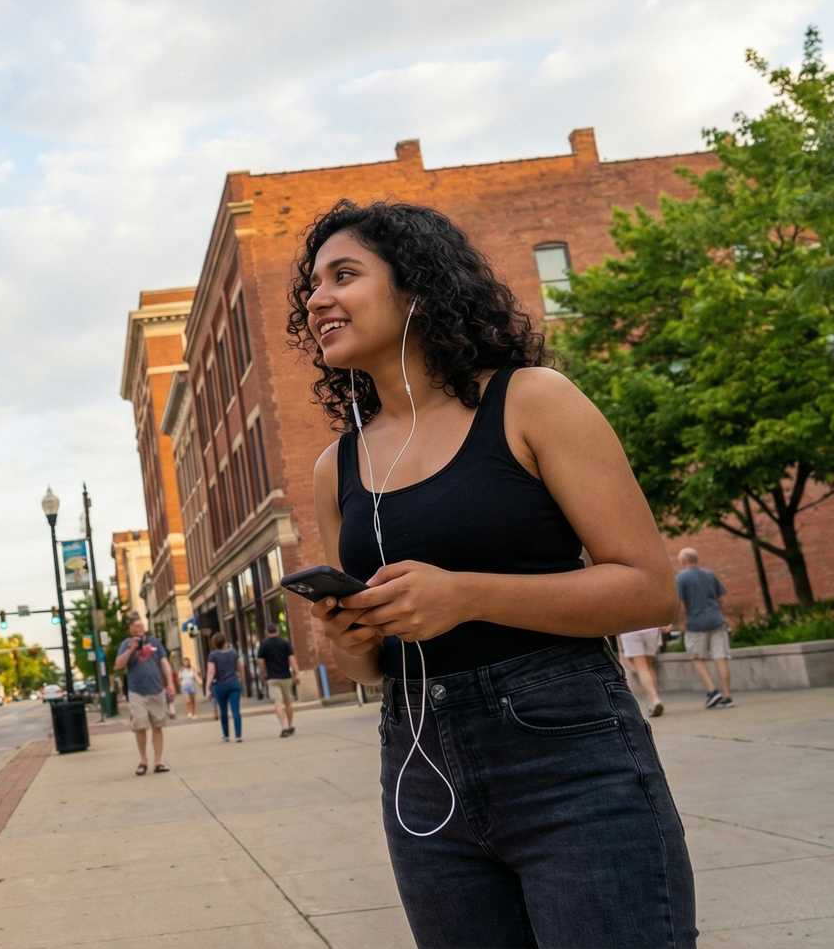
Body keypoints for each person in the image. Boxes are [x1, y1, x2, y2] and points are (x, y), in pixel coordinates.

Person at [296, 200, 695, 946]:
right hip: (421, 769)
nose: (318, 299)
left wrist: (466, 595)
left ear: (415, 285)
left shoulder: (532, 400)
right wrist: (347, 638)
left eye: (343, 275)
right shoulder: (336, 467)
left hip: (569, 755)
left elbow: (648, 588)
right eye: (313, 286)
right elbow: (370, 667)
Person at [115, 615, 176, 775]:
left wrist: (170, 683)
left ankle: (158, 762)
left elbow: (164, 662)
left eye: (141, 624)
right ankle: (143, 761)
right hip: (137, 692)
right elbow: (118, 665)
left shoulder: (154, 642)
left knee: (158, 726)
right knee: (140, 727)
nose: (140, 627)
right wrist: (131, 649)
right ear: (131, 629)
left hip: (157, 690)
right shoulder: (126, 644)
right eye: (136, 625)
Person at [676, 547, 735, 708]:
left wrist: (680, 623)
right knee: (721, 657)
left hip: (695, 624)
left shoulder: (681, 578)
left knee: (697, 658)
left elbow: (680, 604)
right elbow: (721, 599)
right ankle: (727, 696)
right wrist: (726, 617)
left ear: (683, 561)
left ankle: (712, 691)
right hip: (717, 620)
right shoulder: (710, 574)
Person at [256, 626, 298, 737]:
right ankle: (289, 726)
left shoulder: (264, 644)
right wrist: (296, 674)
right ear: (277, 631)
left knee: (278, 703)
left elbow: (260, 661)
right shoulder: (285, 643)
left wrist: (263, 674)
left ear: (266, 632)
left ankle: (284, 727)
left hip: (273, 678)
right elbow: (292, 659)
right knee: (288, 703)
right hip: (286, 677)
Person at [618, 624, 668, 717]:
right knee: (649, 666)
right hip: (651, 628)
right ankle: (653, 699)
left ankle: (654, 700)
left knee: (642, 667)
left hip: (630, 629)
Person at [204, 633, 243, 742]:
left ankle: (226, 736)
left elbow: (211, 672)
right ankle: (238, 736)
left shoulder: (213, 655)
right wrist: (241, 680)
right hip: (234, 683)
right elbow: (240, 667)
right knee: (236, 710)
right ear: (225, 641)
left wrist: (207, 688)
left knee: (223, 711)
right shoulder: (233, 652)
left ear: (214, 643)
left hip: (220, 686)